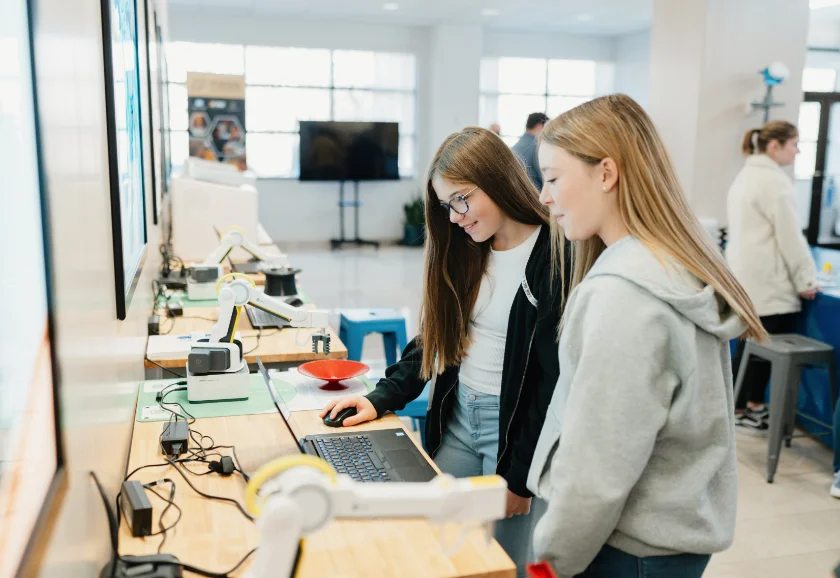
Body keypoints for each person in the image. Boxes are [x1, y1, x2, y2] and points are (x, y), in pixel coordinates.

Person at [528, 93, 766, 577]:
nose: (543, 197)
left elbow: (598, 468)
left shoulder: (623, 295)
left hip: (623, 548)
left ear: (606, 173)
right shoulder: (674, 262)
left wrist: (548, 563)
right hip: (670, 538)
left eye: (553, 179)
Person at [320, 126, 571, 576]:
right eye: (445, 205)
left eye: (462, 199)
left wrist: (520, 476)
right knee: (433, 544)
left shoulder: (555, 253)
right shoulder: (469, 249)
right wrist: (379, 398)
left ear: (497, 179)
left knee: (503, 564)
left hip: (514, 434)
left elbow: (551, 385)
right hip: (458, 421)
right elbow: (434, 339)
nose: (454, 217)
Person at [726, 121, 819, 434]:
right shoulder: (774, 183)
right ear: (775, 146)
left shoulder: (746, 177)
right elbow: (791, 238)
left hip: (746, 279)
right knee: (760, 350)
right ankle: (741, 410)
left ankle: (751, 407)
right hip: (768, 282)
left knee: (751, 347)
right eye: (794, 144)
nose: (798, 151)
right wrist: (806, 280)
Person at [512, 113, 549, 190]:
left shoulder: (515, 146)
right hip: (535, 195)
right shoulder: (537, 147)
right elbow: (546, 179)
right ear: (540, 125)